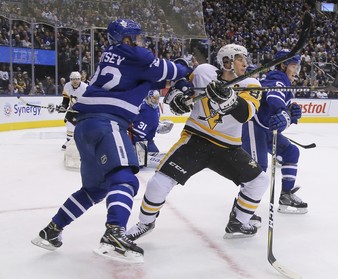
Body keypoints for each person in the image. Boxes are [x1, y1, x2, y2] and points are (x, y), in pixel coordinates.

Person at [31, 18, 192, 263]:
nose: (140, 41)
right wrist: (186, 67)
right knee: (125, 179)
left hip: (85, 126)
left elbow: (152, 79)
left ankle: (51, 231)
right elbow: (170, 71)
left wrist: (173, 81)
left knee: (95, 190)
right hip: (108, 122)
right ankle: (114, 235)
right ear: (127, 39)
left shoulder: (113, 54)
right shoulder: (137, 55)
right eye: (136, 37)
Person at [125, 43, 269, 242]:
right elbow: (183, 87)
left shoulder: (251, 84)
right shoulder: (204, 72)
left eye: (245, 58)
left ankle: (239, 221)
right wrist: (178, 96)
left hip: (228, 147)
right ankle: (145, 223)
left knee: (259, 181)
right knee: (158, 182)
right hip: (195, 140)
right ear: (226, 62)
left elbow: (245, 114)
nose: (245, 63)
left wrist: (230, 100)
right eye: (239, 58)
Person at [242, 49, 308, 214]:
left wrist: (292, 112)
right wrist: (283, 111)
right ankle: (243, 212)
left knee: (291, 152)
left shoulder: (285, 81)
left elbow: (282, 108)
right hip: (253, 126)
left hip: (266, 129)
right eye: (293, 65)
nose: (296, 70)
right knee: (258, 170)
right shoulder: (277, 78)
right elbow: (274, 98)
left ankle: (286, 195)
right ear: (283, 65)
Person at [57, 71, 88, 150]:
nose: (75, 81)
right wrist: (63, 106)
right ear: (70, 80)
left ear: (80, 79)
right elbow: (66, 98)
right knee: (69, 124)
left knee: (84, 127)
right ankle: (69, 141)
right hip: (72, 110)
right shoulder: (67, 86)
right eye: (73, 79)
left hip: (83, 111)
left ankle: (85, 142)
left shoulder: (85, 87)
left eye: (77, 79)